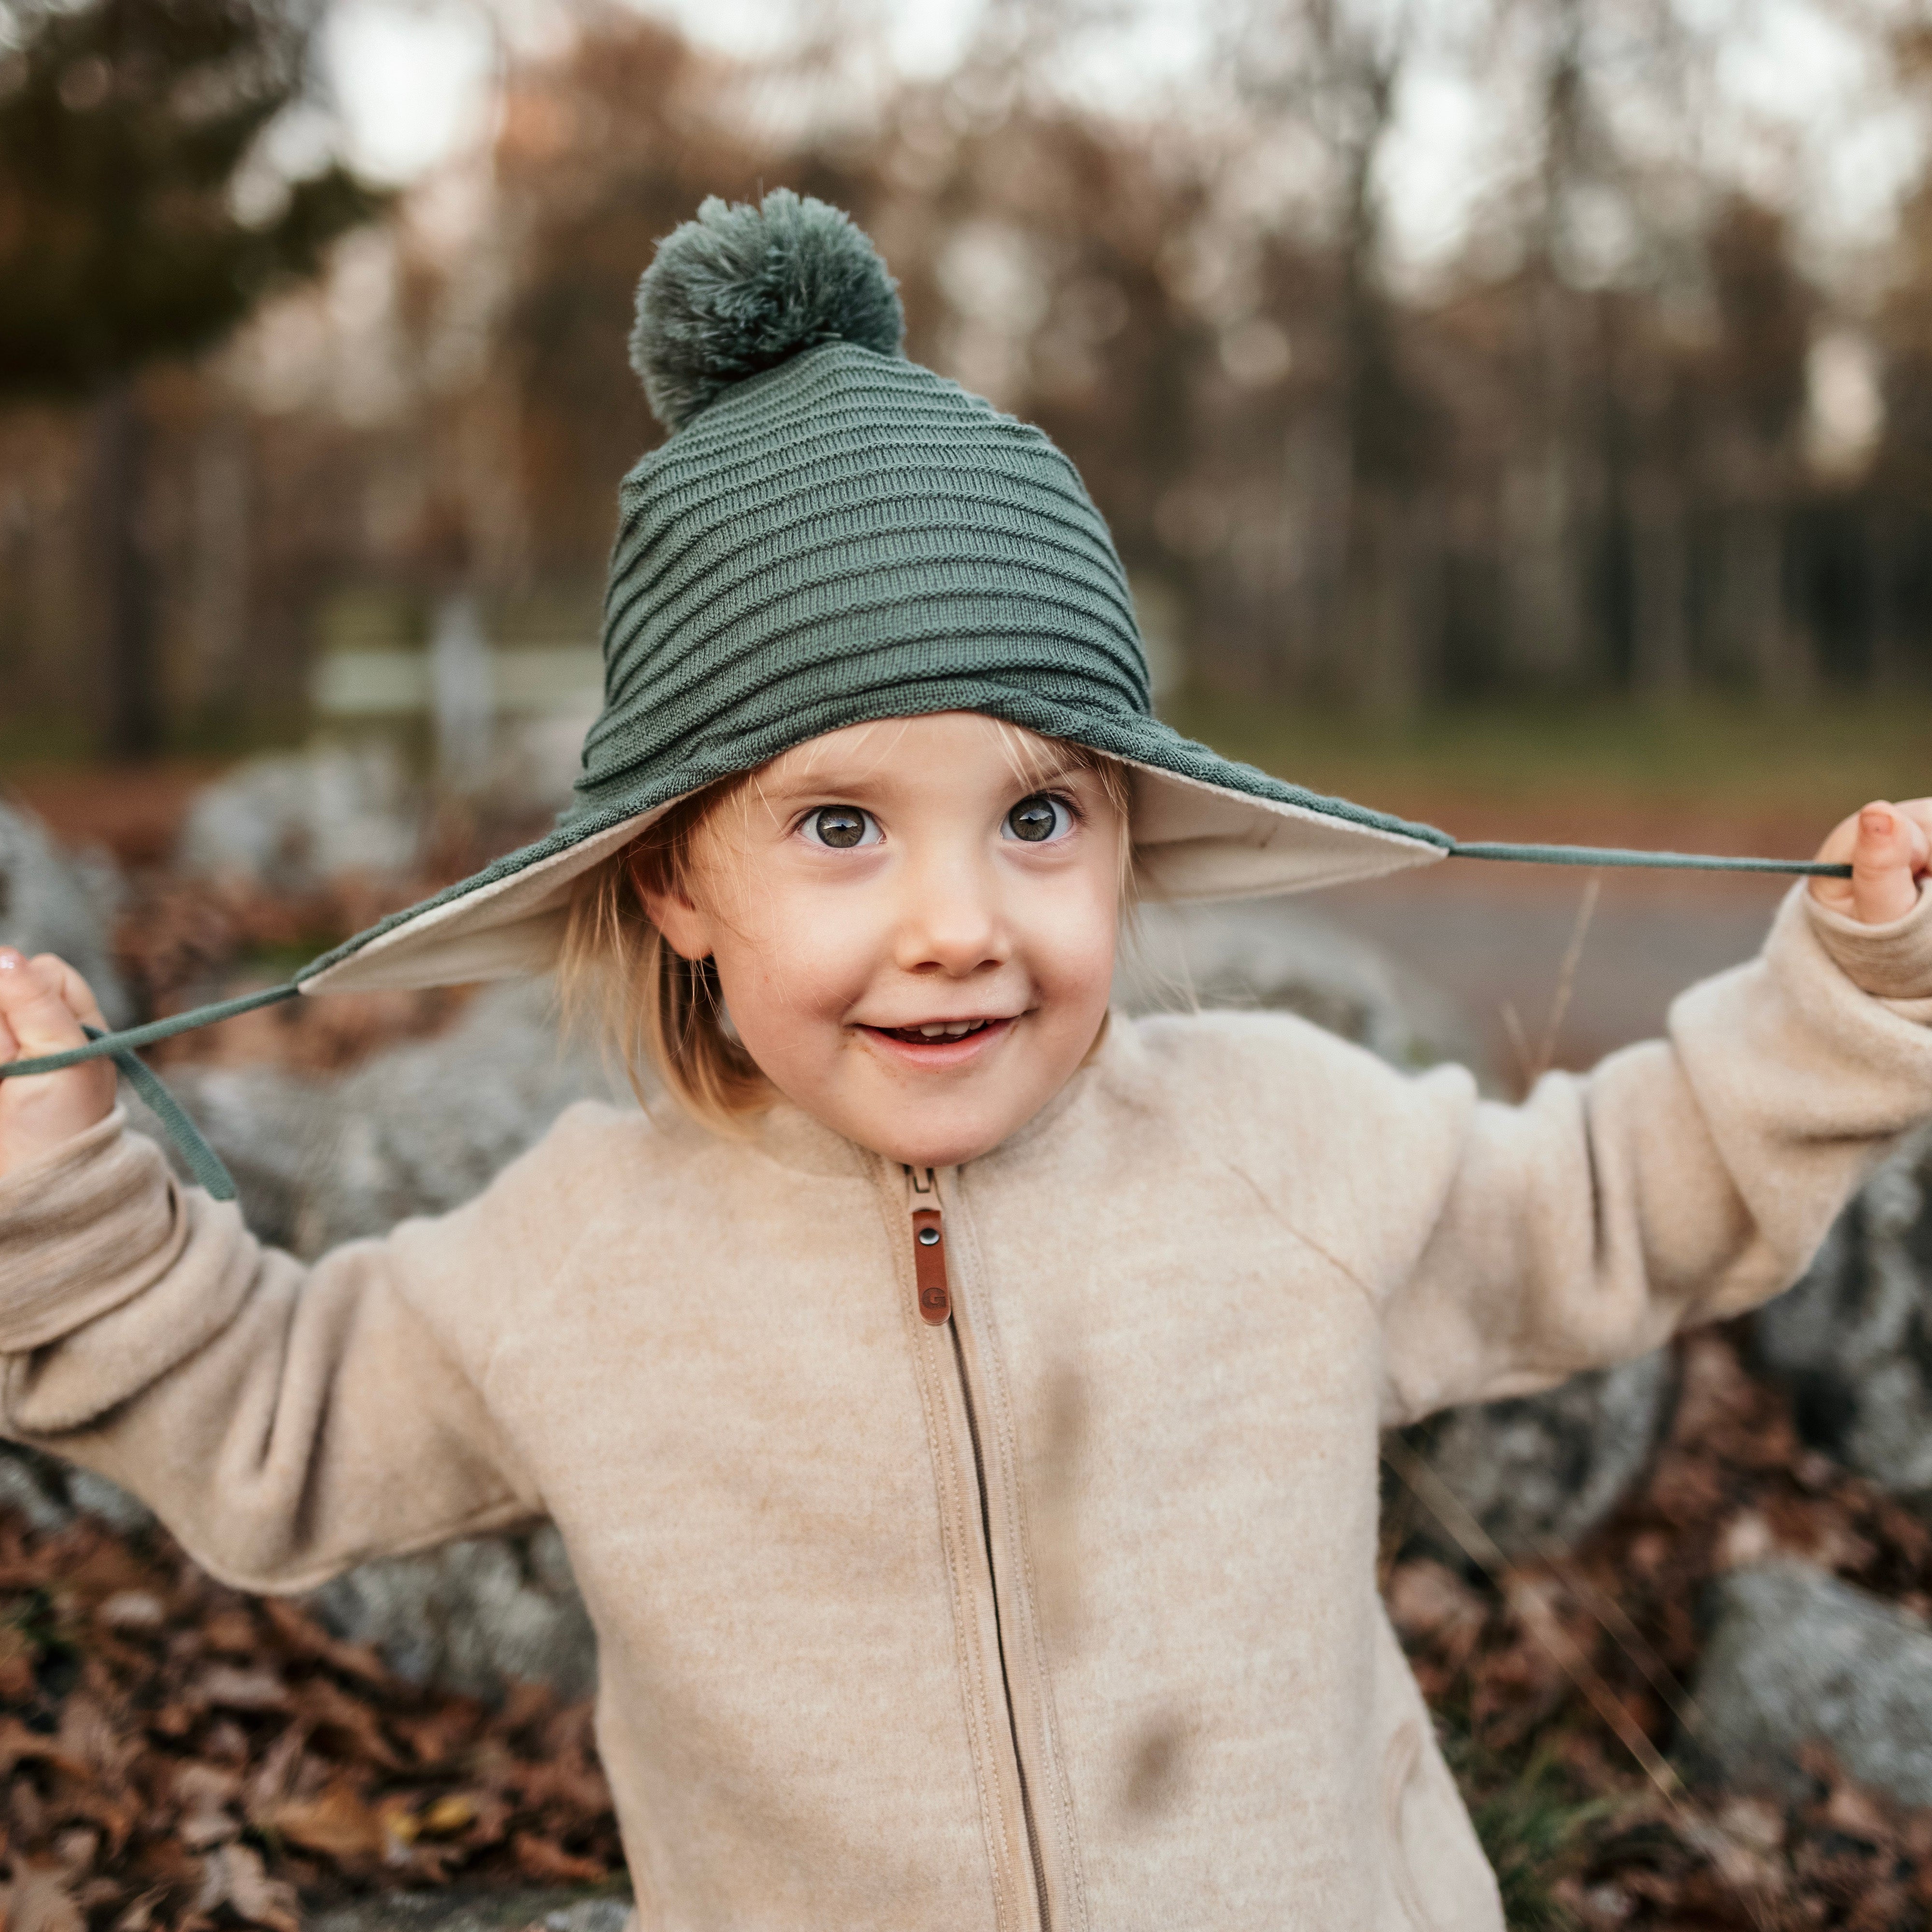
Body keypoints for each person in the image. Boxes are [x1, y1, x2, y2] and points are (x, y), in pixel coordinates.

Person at [1, 192, 1929, 1932]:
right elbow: (272, 1417)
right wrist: (73, 1204)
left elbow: (1613, 1202)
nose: (959, 921)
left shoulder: (1279, 1143)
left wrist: (1842, 990)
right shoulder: (579, 1264)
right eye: (840, 827)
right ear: (676, 884)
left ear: (1128, 836)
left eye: (1035, 817)